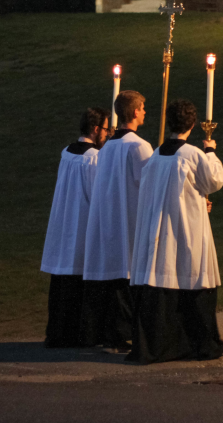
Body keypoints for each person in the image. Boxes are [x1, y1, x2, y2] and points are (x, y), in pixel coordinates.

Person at [127, 99, 223, 364]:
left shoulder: (157, 155)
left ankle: (163, 343)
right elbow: (214, 180)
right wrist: (210, 152)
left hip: (161, 226)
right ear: (193, 125)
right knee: (190, 271)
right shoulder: (192, 154)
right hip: (186, 225)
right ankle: (197, 342)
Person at [80, 90, 153, 350]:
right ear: (134, 112)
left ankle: (110, 332)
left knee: (114, 275)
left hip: (108, 216)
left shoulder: (107, 146)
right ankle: (125, 333)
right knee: (127, 274)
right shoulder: (138, 146)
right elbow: (149, 184)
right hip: (130, 217)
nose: (145, 112)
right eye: (143, 108)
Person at [40, 107, 110, 348]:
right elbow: (97, 195)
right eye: (106, 129)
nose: (108, 134)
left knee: (64, 279)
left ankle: (59, 332)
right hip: (82, 223)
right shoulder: (93, 158)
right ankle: (83, 333)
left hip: (65, 220)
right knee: (80, 277)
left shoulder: (67, 153)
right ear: (95, 129)